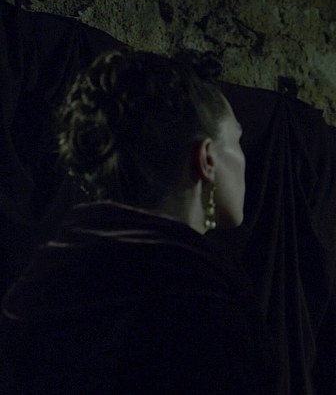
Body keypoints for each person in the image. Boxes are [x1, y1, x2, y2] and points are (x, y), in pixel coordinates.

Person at [0, 50, 277, 393]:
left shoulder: (37, 286)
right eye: (236, 140)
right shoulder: (207, 304)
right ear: (207, 158)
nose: (243, 158)